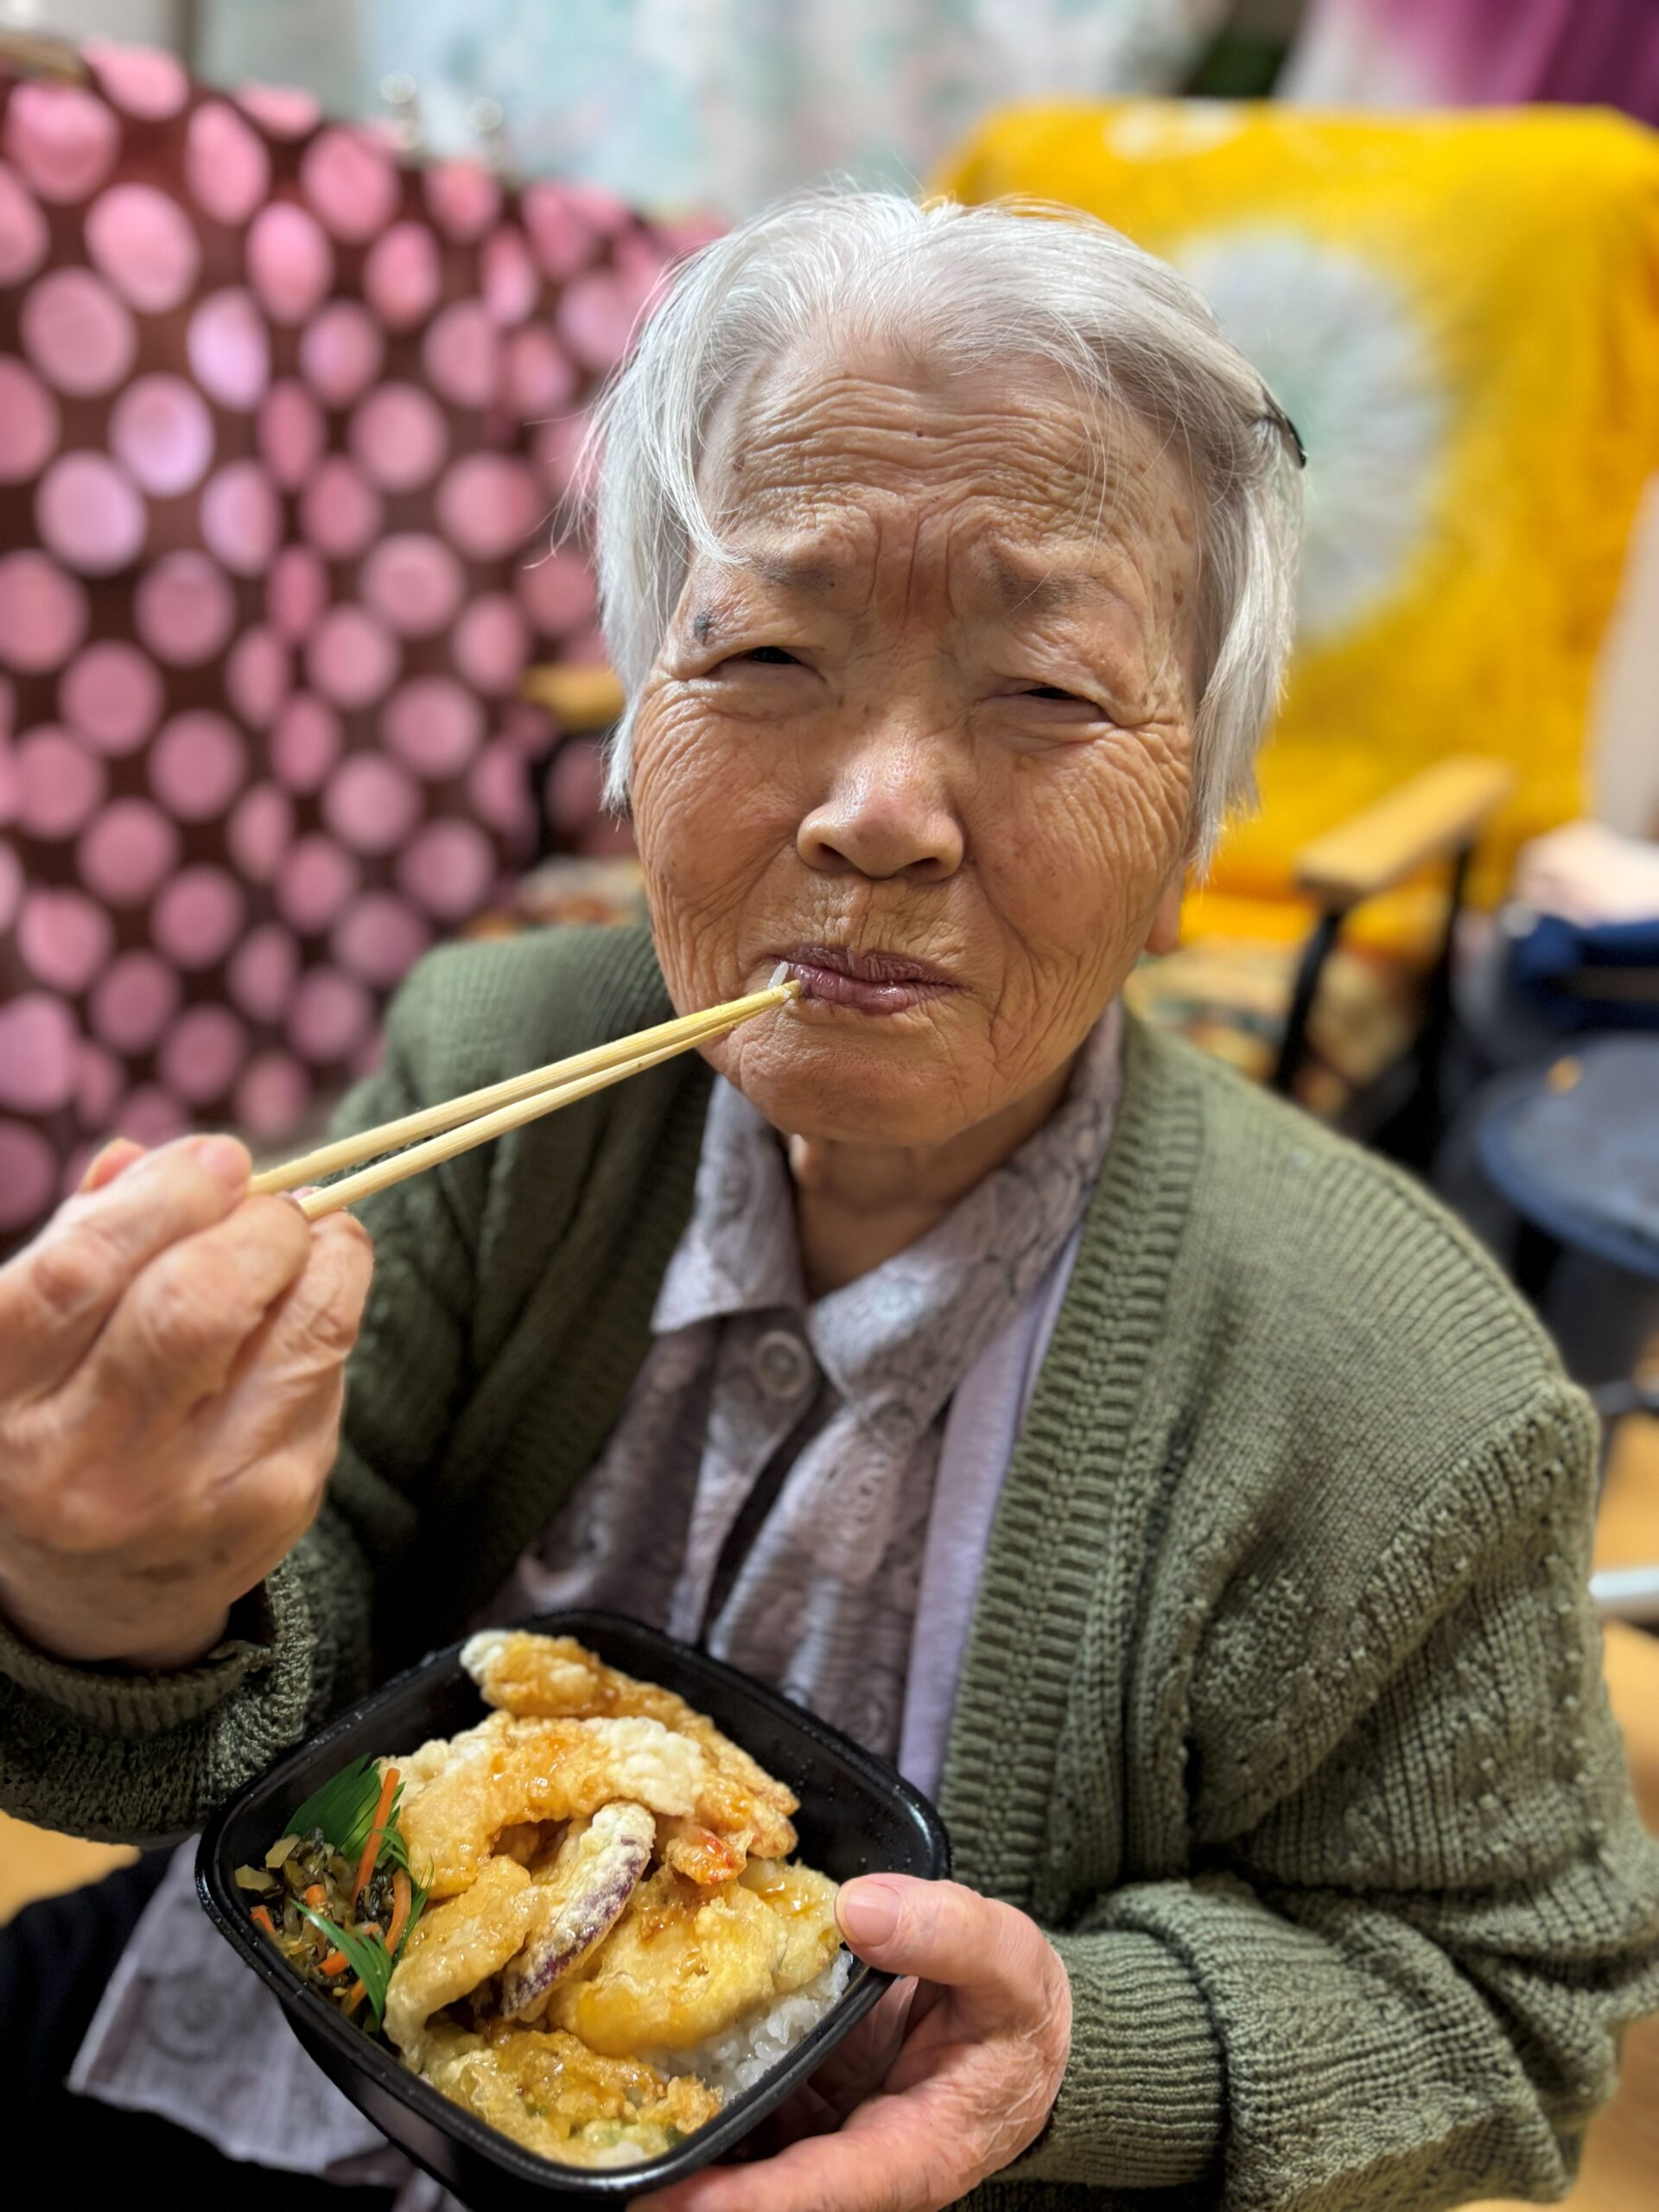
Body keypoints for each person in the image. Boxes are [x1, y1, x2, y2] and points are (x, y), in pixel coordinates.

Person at [2, 192, 1656, 2212]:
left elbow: (1508, 2009)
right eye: (767, 651)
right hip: (307, 2034)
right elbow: (241, 1682)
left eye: (1047, 691)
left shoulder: (1407, 1384)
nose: (877, 812)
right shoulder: (484, 1060)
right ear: (638, 731)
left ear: (1192, 826)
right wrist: (115, 1599)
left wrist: (1069, 2055)